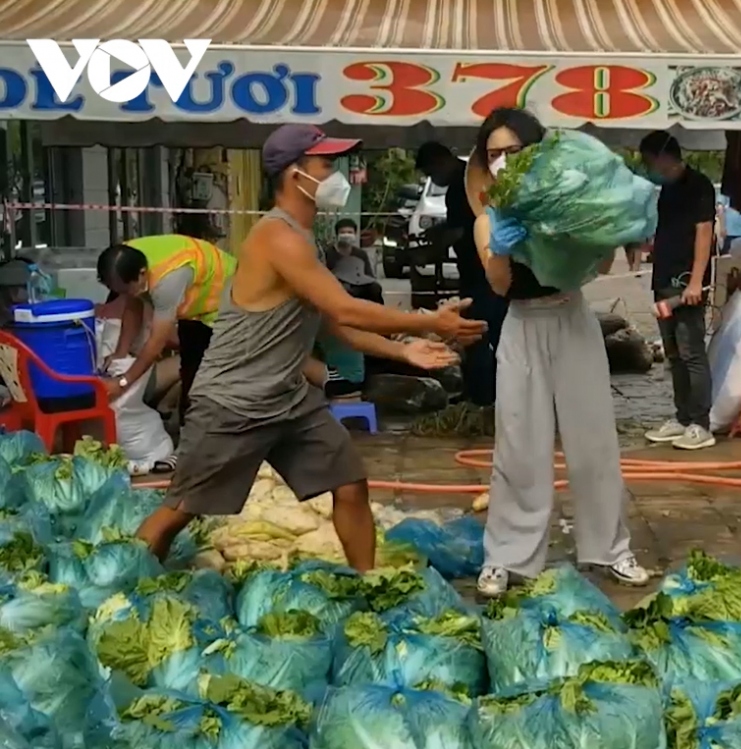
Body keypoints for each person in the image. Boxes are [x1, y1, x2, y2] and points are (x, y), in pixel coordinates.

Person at [135, 124, 486, 573]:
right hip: (234, 401)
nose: (337, 175)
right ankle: (127, 588)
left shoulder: (304, 241)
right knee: (179, 510)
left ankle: (368, 584)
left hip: (288, 399)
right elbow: (346, 306)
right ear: (294, 173)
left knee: (350, 484)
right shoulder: (276, 236)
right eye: (326, 164)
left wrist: (404, 351)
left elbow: (334, 322)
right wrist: (430, 320)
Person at [470, 107, 649, 597]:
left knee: (594, 443)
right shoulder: (490, 219)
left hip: (572, 319)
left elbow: (600, 263)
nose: (504, 162)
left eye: (514, 151)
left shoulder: (566, 200)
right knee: (518, 445)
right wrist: (503, 245)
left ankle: (610, 548)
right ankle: (506, 557)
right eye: (494, 154)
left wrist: (590, 226)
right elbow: (500, 284)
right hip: (523, 327)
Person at [96, 235, 236, 426]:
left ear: (143, 273)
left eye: (129, 289)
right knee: (190, 373)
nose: (126, 295)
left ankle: (211, 435)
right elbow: (132, 306)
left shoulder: (168, 282)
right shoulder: (125, 259)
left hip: (227, 304)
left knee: (210, 382)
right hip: (193, 309)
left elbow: (156, 342)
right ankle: (189, 432)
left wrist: (123, 382)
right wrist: (120, 353)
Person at [639, 130, 717, 451]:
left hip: (687, 282)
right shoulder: (666, 191)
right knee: (672, 354)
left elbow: (704, 233)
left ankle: (700, 423)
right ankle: (681, 417)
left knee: (691, 352)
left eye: (648, 160)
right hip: (663, 280)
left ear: (663, 156)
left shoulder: (699, 186)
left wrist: (697, 280)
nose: (647, 167)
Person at [416, 140, 508, 406]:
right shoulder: (467, 181)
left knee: (478, 333)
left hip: (482, 274)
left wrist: (431, 251)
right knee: (482, 332)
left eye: (431, 173)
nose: (433, 178)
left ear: (440, 160)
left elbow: (460, 231)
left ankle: (484, 396)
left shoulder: (461, 185)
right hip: (478, 271)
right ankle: (485, 392)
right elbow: (458, 224)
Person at [325, 218, 384, 305]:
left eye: (350, 232)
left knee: (375, 288)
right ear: (337, 235)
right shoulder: (329, 253)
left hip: (359, 284)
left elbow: (368, 274)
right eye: (343, 232)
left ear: (355, 234)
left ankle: (378, 314)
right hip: (338, 286)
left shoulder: (361, 254)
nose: (346, 235)